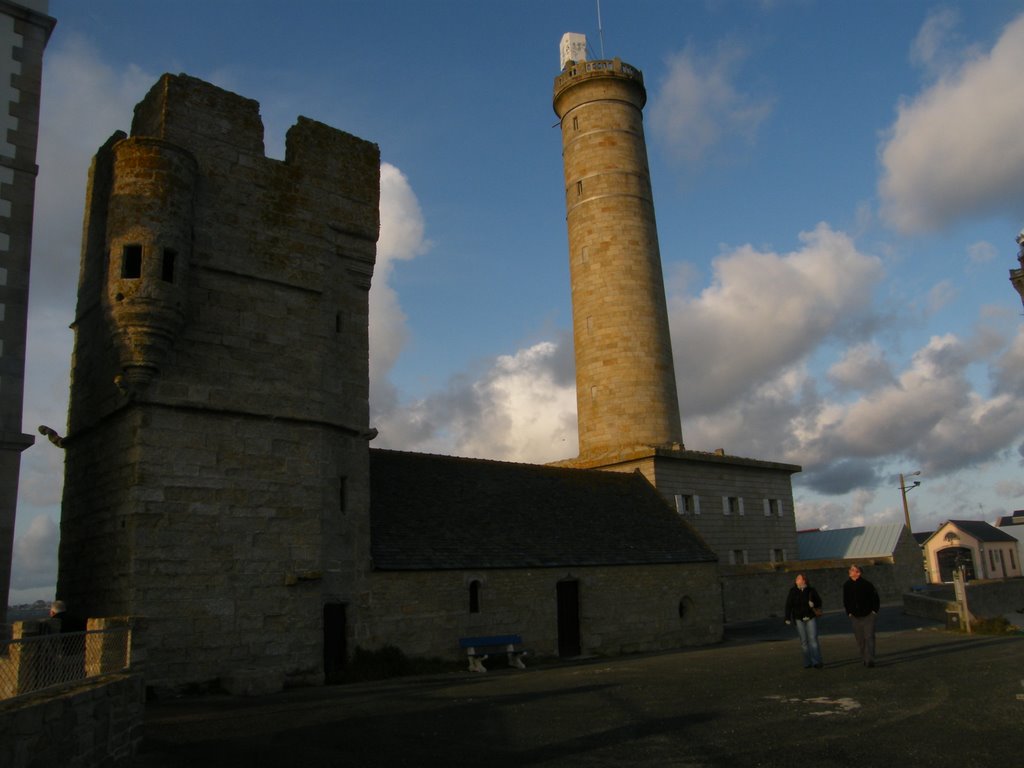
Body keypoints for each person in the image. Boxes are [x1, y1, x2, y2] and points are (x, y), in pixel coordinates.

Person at [843, 564, 880, 667]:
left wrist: (874, 611)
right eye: (850, 569)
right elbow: (846, 600)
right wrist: (849, 613)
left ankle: (870, 660)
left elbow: (875, 598)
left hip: (868, 615)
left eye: (852, 570)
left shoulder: (867, 584)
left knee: (869, 637)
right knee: (860, 639)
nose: (850, 571)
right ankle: (864, 658)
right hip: (855, 616)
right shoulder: (847, 585)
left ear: (858, 573)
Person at [784, 573, 823, 669]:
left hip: (810, 617)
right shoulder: (793, 591)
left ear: (804, 580)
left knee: (813, 639)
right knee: (804, 641)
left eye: (799, 578)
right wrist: (787, 617)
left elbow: (819, 602)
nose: (796, 579)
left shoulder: (811, 590)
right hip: (799, 618)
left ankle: (816, 662)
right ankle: (807, 662)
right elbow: (788, 605)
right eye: (796, 578)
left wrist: (813, 603)